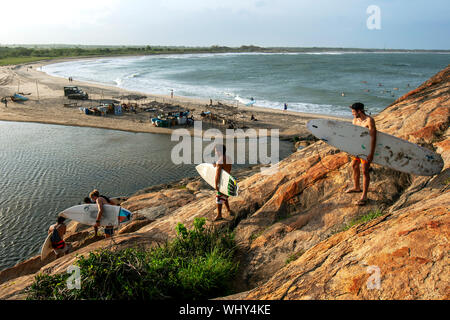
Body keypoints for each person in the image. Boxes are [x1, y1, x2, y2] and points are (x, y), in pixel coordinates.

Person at [346, 102, 377, 206]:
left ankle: (364, 196)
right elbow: (353, 135)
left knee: (365, 171)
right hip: (357, 148)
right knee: (354, 165)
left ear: (359, 111)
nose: (352, 114)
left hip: (366, 149)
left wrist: (371, 153)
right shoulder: (354, 120)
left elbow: (373, 137)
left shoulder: (369, 121)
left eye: (354, 112)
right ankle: (357, 187)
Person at [212, 144, 234, 221]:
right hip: (228, 179)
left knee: (219, 197)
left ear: (219, 151)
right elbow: (225, 169)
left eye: (215, 151)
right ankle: (228, 210)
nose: (215, 153)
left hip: (222, 181)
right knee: (224, 195)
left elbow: (217, 175)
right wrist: (216, 166)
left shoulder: (219, 161)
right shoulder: (229, 158)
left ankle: (219, 215)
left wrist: (216, 185)